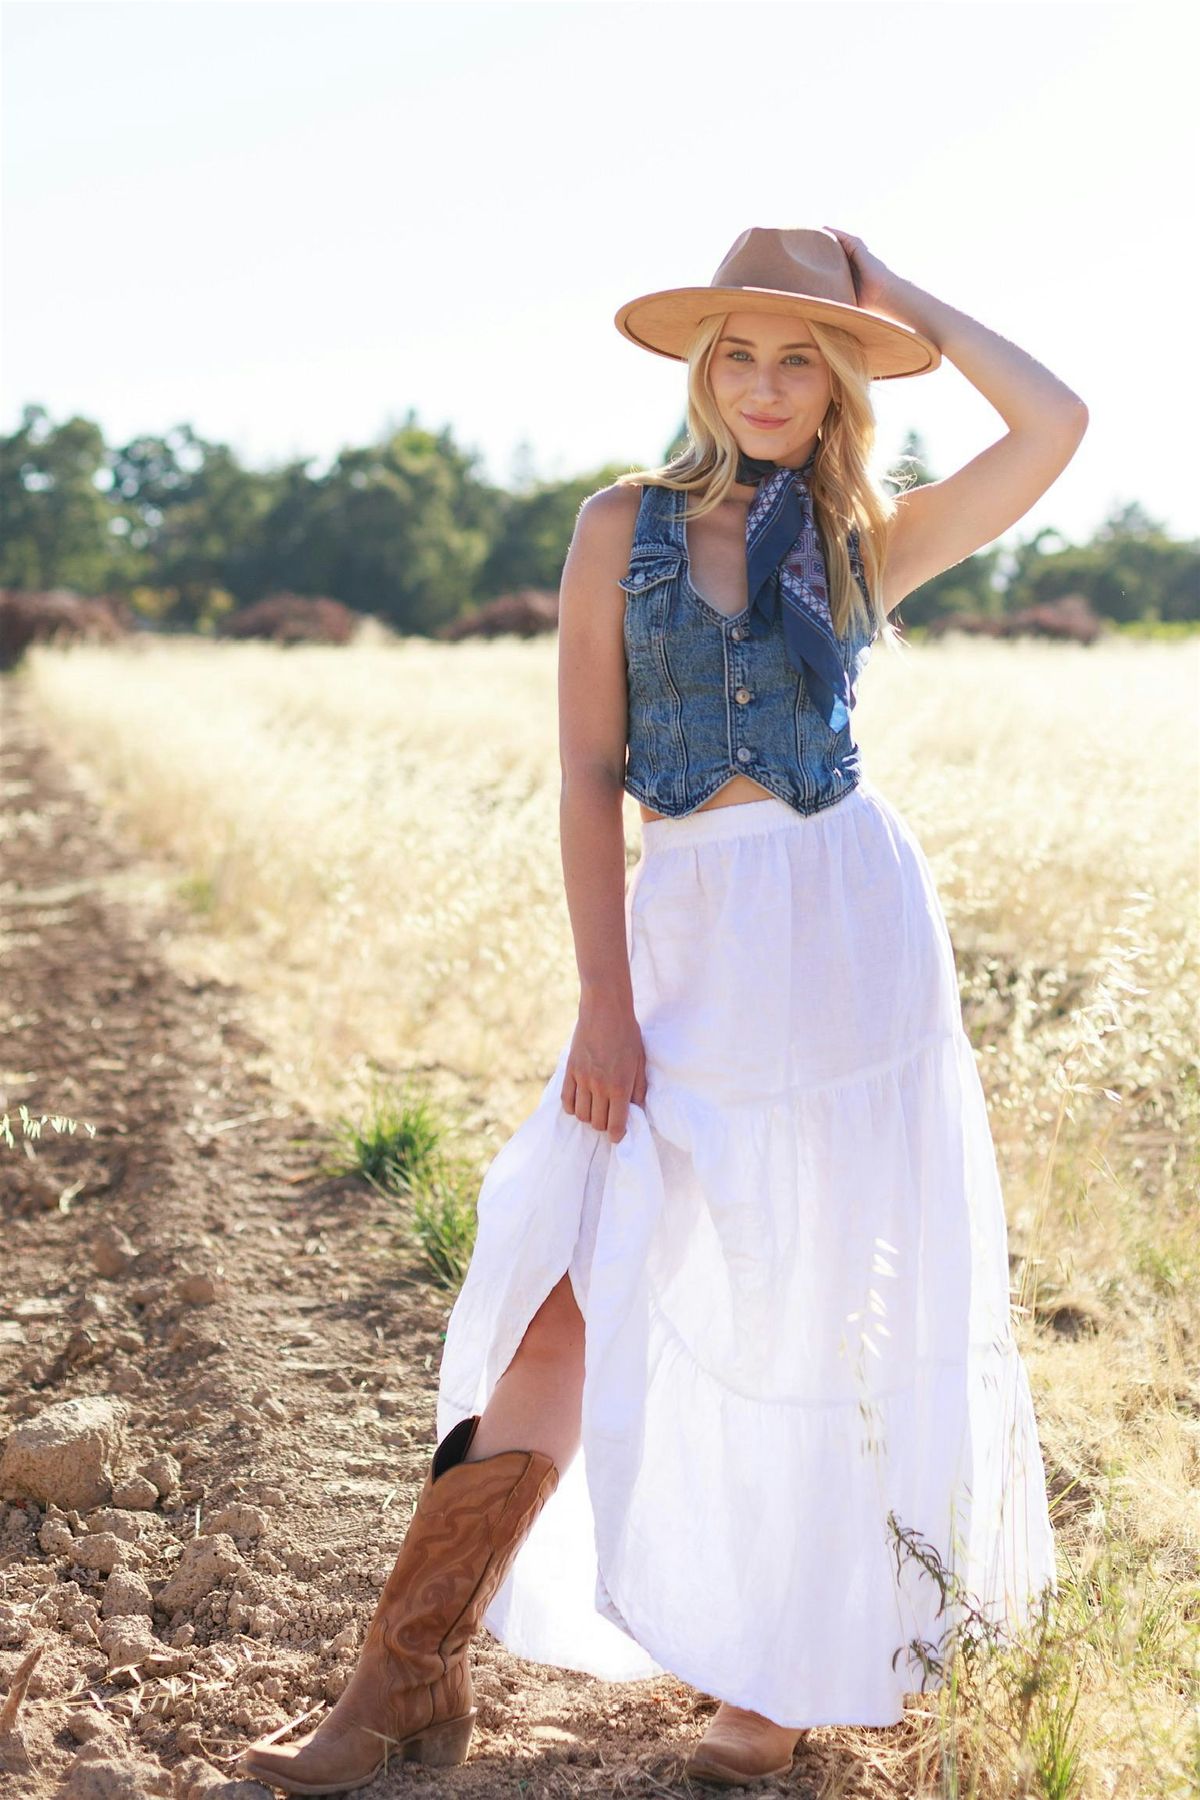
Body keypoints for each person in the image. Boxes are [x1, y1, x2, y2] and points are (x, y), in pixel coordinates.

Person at [241, 226, 1087, 1793]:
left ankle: (772, 1691)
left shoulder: (857, 544)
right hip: (684, 940)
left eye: (800, 358)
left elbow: (1055, 428)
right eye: (741, 355)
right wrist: (603, 1006)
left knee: (819, 1299)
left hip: (847, 943)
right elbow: (581, 771)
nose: (766, 386)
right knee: (571, 1273)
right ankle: (402, 1677)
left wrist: (901, 306)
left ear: (836, 381)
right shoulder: (616, 527)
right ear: (703, 371)